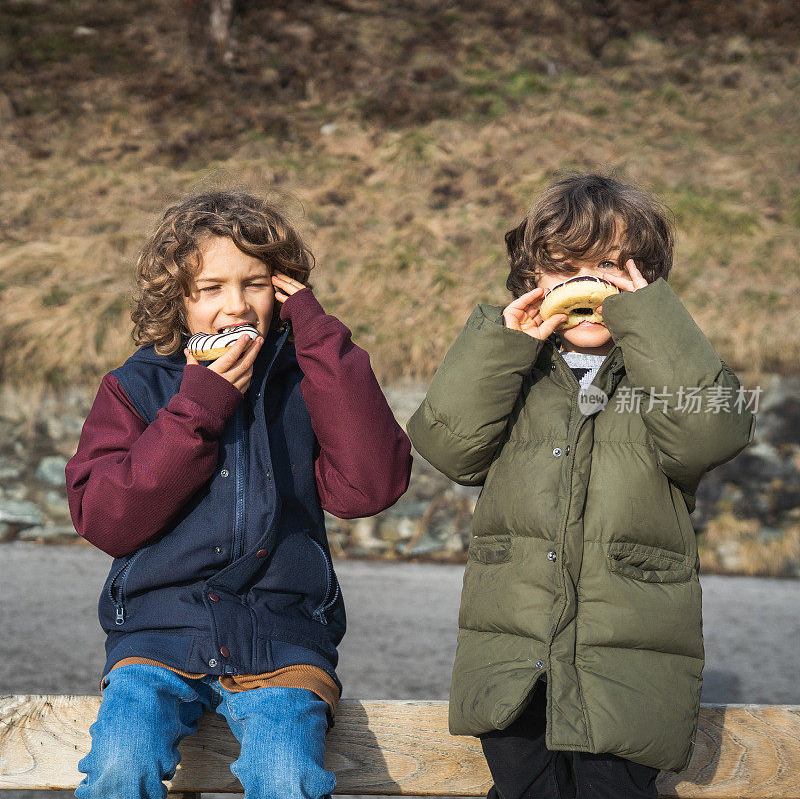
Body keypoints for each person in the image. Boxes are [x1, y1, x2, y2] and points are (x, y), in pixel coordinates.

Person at [406, 173, 756, 799]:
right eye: (562, 269)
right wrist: (501, 347)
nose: (584, 287)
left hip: (626, 660)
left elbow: (710, 435)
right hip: (518, 659)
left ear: (646, 282)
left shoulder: (662, 367)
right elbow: (449, 447)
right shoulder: (515, 368)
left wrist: (648, 320)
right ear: (530, 282)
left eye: (607, 269)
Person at [66, 190, 413, 799]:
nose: (236, 308)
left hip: (283, 637)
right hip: (158, 633)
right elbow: (105, 519)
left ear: (284, 291)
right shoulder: (136, 385)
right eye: (210, 289)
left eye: (256, 285)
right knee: (122, 764)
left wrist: (318, 334)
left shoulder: (311, 379)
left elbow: (370, 486)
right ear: (177, 299)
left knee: (287, 777)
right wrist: (195, 410)